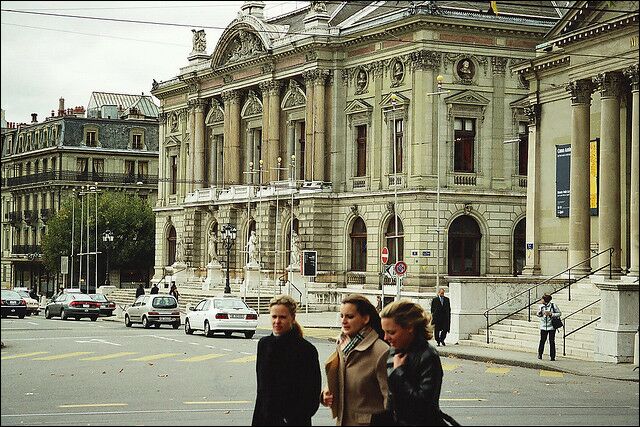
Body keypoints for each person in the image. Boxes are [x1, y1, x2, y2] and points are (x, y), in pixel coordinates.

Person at [252, 294, 321, 426]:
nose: (277, 321)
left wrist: (290, 419)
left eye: (282, 317)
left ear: (293, 318)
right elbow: (262, 390)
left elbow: (312, 395)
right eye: (274, 316)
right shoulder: (263, 344)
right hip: (264, 419)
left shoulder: (306, 350)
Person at [321, 294, 389, 426]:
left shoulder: (381, 351)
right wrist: (326, 393)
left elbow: (391, 400)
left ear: (365, 319)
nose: (344, 321)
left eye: (350, 317)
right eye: (342, 316)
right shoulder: (342, 345)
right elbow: (341, 379)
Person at [380, 300, 445, 426]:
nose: (386, 338)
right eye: (384, 332)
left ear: (410, 327)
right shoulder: (393, 353)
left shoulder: (428, 356)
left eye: (391, 332)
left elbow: (422, 405)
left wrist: (399, 373)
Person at [537, 293, 561, 361]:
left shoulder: (553, 305)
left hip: (552, 327)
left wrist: (551, 314)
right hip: (543, 326)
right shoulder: (541, 306)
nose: (541, 300)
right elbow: (538, 314)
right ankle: (540, 354)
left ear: (545, 300)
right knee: (542, 341)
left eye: (542, 299)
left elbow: (559, 313)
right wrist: (540, 314)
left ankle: (552, 356)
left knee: (552, 341)